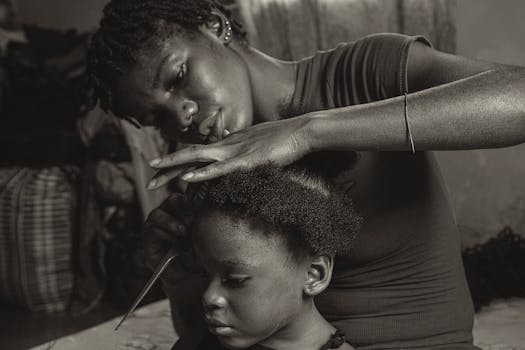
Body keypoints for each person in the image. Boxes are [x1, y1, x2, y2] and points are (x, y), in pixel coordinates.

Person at [86, 0, 525, 348]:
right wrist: (179, 277)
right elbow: (211, 330)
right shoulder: (216, 172)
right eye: (158, 118)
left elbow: (518, 97)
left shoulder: (361, 75)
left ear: (215, 26)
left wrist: (307, 132)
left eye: (179, 76)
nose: (181, 115)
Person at [183, 166, 361, 350]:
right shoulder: (196, 342)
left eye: (235, 281)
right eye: (203, 274)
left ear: (313, 274)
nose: (208, 297)